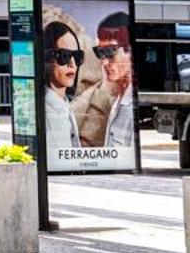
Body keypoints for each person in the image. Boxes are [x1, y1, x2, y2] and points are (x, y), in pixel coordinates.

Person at [74, 12, 136, 150]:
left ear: (130, 51)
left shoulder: (132, 104)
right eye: (100, 53)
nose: (104, 62)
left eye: (109, 52)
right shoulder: (117, 101)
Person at [42, 22, 81, 155]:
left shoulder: (65, 103)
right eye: (64, 56)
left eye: (77, 56)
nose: (72, 65)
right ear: (48, 58)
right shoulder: (45, 109)